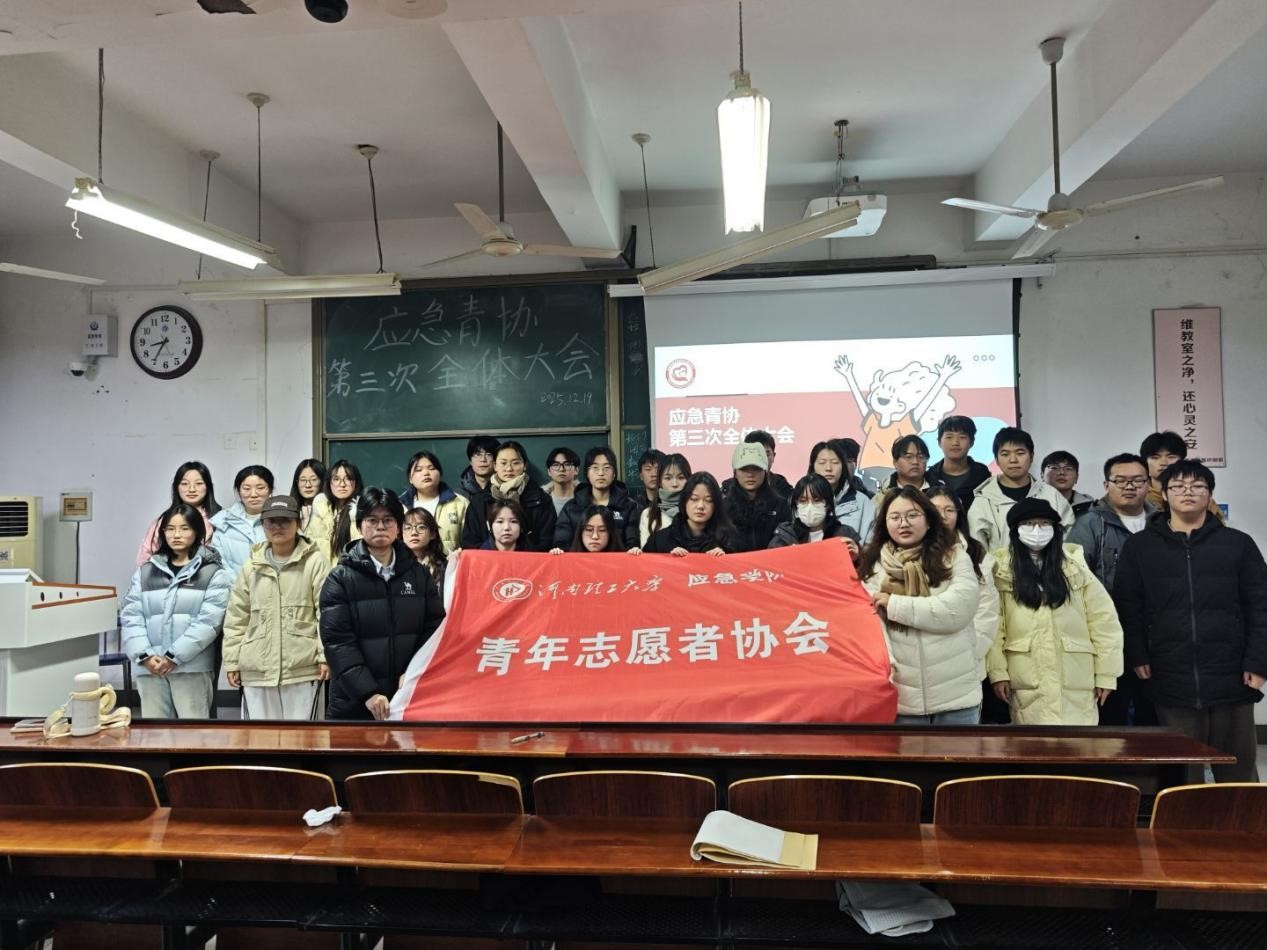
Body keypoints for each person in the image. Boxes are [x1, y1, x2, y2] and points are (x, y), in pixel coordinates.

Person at [1115, 460, 1267, 782]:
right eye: (1178, 486)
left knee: (1238, 769)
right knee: (1182, 771)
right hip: (1169, 674)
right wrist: (1138, 654)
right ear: (1164, 494)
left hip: (1232, 675)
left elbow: (1260, 606)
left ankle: (1243, 816)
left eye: (1197, 486)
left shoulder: (1238, 544)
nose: (1188, 492)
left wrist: (1259, 662)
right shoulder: (1140, 547)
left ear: (1209, 494)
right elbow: (1129, 607)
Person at [987, 498, 1123, 726]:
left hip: (1077, 676)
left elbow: (1104, 623)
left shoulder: (1076, 567)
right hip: (1026, 677)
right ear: (1015, 530)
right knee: (1034, 742)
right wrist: (997, 672)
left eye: (1044, 523)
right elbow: (993, 627)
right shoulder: (1000, 571)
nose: (1037, 530)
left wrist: (1106, 674)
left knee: (1078, 744)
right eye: (1029, 524)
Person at [858, 487, 983, 725]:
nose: (903, 523)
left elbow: (957, 610)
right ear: (884, 524)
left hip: (956, 697)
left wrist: (895, 605)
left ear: (928, 520)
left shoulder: (955, 556)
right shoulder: (873, 566)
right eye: (895, 517)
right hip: (902, 700)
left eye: (912, 515)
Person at [319, 487, 445, 721]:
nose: (380, 526)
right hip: (354, 702)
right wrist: (367, 692)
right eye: (372, 520)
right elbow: (338, 643)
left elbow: (434, 628)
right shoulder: (340, 578)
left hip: (407, 697)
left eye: (388, 520)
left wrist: (413, 672)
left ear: (398, 526)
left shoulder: (418, 574)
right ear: (360, 526)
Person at [1067, 453, 1158, 727]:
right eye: (1120, 480)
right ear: (1106, 485)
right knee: (1111, 711)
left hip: (1154, 633)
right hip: (1107, 632)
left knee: (1153, 711)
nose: (1129, 486)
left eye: (1137, 480)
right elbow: (1074, 578)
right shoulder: (1090, 524)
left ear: (1148, 483)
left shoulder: (1161, 522)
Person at [222, 495, 330, 720]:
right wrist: (232, 661)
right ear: (262, 524)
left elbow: (326, 614)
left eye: (285, 521)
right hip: (257, 669)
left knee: (305, 737)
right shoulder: (252, 565)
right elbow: (237, 617)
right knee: (260, 738)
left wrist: (324, 656)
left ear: (298, 523)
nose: (278, 527)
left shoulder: (315, 561)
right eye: (271, 521)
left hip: (303, 668)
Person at [121, 504, 231, 719]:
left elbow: (209, 623)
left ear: (198, 531)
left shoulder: (213, 573)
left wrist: (174, 656)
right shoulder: (146, 571)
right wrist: (144, 655)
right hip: (150, 667)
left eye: (184, 528)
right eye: (170, 529)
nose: (176, 535)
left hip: (192, 668)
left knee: (193, 733)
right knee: (155, 733)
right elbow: (131, 616)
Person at [928, 486, 1002, 722]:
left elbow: (987, 610)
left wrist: (970, 652)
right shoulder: (906, 549)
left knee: (959, 739)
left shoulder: (975, 552)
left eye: (949, 510)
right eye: (935, 509)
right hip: (920, 665)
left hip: (965, 664)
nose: (943, 516)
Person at [968, 427, 1073, 552]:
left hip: (1050, 564)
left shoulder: (1051, 495)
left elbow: (1069, 540)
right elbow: (978, 551)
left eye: (1020, 453)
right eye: (1005, 454)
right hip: (999, 565)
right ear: (996, 460)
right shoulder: (984, 501)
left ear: (1031, 456)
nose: (1013, 460)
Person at [461, 441, 556, 551]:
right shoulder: (479, 501)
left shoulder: (541, 499)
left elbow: (547, 541)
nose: (509, 469)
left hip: (529, 560)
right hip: (488, 561)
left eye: (515, 463)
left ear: (525, 466)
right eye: (503, 463)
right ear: (495, 466)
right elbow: (469, 543)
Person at [554, 446, 640, 549]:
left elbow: (632, 544)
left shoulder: (628, 507)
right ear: (587, 473)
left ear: (614, 474)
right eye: (595, 468)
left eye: (606, 468)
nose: (601, 473)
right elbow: (561, 544)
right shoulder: (571, 508)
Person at [136, 461, 221, 566]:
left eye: (198, 483)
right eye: (185, 484)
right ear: (176, 487)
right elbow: (145, 557)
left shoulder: (222, 519)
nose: (192, 489)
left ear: (208, 486)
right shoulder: (163, 520)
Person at [1139, 430, 1224, 522]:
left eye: (1171, 457)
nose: (1163, 463)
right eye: (1155, 457)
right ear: (1145, 463)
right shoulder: (1138, 497)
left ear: (1182, 461)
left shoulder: (1201, 498)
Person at [768, 474, 860, 557]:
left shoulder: (844, 535)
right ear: (796, 504)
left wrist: (856, 559)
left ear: (828, 504)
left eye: (817, 500)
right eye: (803, 501)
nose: (810, 507)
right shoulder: (785, 537)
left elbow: (861, 566)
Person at [643, 472, 734, 556]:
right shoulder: (660, 540)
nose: (700, 506)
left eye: (708, 500)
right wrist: (668, 559)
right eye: (694, 499)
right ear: (684, 501)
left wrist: (725, 558)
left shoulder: (728, 540)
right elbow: (643, 564)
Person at [722, 442, 791, 552]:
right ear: (735, 472)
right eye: (744, 469)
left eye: (756, 468)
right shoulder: (723, 507)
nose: (750, 474)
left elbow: (786, 540)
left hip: (771, 562)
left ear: (765, 471)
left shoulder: (780, 505)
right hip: (733, 562)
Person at [210, 465, 273, 580]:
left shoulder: (281, 521)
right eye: (246, 488)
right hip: (234, 588)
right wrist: (239, 586)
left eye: (260, 488)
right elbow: (219, 561)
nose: (253, 494)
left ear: (270, 490)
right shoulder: (224, 522)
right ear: (239, 491)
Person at [399, 450, 468, 554]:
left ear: (440, 474)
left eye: (431, 468)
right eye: (418, 470)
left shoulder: (459, 503)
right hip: (408, 563)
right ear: (410, 479)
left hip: (450, 562)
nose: (426, 473)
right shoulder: (400, 506)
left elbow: (470, 541)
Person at [809, 439, 875, 542]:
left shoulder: (862, 502)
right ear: (812, 466)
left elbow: (871, 542)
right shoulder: (801, 499)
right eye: (822, 463)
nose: (828, 468)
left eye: (835, 462)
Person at [926, 416, 991, 513]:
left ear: (972, 442)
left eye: (962, 437)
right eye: (949, 437)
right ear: (939, 442)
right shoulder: (930, 476)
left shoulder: (982, 475)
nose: (955, 442)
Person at [309, 459, 362, 562]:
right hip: (323, 569)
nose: (342, 484)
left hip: (349, 569)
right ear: (329, 482)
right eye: (336, 479)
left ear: (356, 482)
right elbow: (311, 545)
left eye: (348, 478)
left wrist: (354, 519)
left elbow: (361, 550)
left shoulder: (362, 509)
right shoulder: (321, 508)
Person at [639, 453, 691, 547]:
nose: (674, 484)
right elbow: (646, 551)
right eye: (668, 478)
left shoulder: (695, 511)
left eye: (681, 477)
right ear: (659, 482)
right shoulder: (648, 514)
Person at [723, 431, 792, 500]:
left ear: (773, 456)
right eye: (756, 454)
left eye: (766, 454)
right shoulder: (727, 487)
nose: (762, 459)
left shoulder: (781, 484)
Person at [877, 435, 944, 498]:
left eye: (920, 457)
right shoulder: (884, 494)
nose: (915, 462)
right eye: (908, 457)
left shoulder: (941, 490)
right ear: (895, 462)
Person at [401, 507, 446, 596]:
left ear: (433, 534)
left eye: (421, 527)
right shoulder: (394, 565)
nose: (414, 532)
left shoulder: (444, 566)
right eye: (408, 528)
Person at [552, 504, 626, 554]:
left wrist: (631, 557)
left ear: (611, 533)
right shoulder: (568, 559)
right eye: (589, 530)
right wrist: (556, 557)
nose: (595, 536)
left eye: (602, 530)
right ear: (580, 532)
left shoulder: (623, 561)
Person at [1041, 450, 1095, 517]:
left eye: (1068, 468)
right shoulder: (1031, 504)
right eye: (1054, 467)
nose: (1062, 472)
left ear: (1077, 477)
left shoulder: (1091, 508)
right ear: (1042, 475)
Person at [288, 458, 326, 538]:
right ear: (297, 482)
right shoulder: (288, 510)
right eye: (303, 480)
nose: (308, 485)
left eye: (313, 479)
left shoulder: (331, 510)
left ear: (322, 481)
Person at [455, 435, 499, 502]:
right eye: (478, 455)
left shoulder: (505, 491)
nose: (483, 459)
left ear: (496, 460)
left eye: (489, 454)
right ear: (470, 461)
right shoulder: (459, 495)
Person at [541, 446, 580, 516]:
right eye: (556, 465)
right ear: (549, 471)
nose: (561, 469)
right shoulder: (540, 500)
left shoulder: (586, 499)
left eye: (567, 464)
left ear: (576, 470)